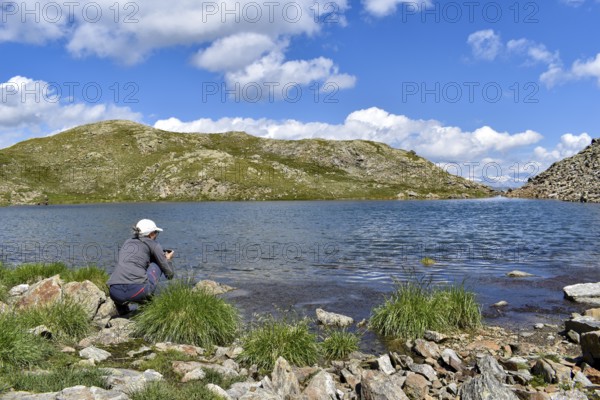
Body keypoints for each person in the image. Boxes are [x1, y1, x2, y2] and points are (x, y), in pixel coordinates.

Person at [107, 219, 175, 315]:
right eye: (156, 232)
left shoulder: (127, 242)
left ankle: (123, 309)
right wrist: (168, 259)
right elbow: (169, 275)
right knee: (157, 263)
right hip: (138, 291)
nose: (156, 235)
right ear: (151, 234)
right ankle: (148, 307)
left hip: (115, 292)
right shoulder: (154, 244)